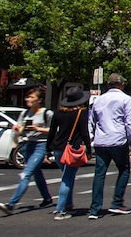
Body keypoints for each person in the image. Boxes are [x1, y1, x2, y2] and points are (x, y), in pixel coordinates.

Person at [0, 86, 54, 214]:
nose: (28, 99)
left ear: (39, 100)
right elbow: (20, 130)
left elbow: (54, 130)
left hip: (40, 145)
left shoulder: (47, 113)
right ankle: (47, 199)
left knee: (26, 174)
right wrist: (18, 130)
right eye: (27, 97)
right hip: (27, 145)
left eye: (31, 97)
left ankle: (11, 204)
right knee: (37, 173)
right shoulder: (24, 113)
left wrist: (38, 129)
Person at [87, 73, 131, 219]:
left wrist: (92, 138)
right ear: (121, 84)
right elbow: (129, 121)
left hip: (101, 140)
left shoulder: (99, 99)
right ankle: (117, 202)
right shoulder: (126, 99)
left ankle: (94, 209)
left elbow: (92, 120)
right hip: (117, 139)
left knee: (99, 174)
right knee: (124, 169)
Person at [47, 84, 92, 220]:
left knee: (67, 176)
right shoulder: (81, 113)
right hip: (72, 148)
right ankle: (60, 210)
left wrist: (47, 149)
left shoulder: (58, 112)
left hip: (57, 148)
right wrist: (89, 149)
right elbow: (84, 133)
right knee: (67, 179)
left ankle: (68, 203)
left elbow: (52, 132)